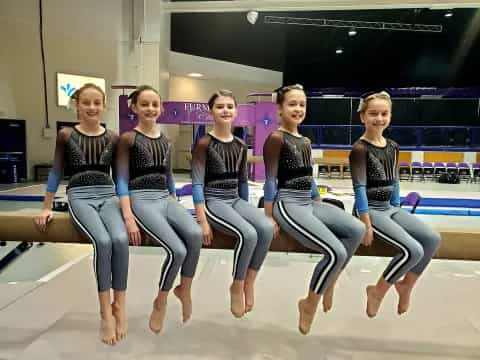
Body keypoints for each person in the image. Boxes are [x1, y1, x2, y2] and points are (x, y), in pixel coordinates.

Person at [263, 84, 364, 335]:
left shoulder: (305, 141)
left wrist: (319, 202)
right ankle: (309, 304)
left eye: (302, 104)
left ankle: (329, 280)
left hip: (308, 202)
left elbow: (308, 177)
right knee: (336, 250)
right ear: (280, 109)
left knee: (356, 228)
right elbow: (270, 180)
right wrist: (268, 216)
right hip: (287, 203)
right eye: (292, 104)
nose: (298, 109)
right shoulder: (276, 138)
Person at [34, 83, 129, 345]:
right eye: (86, 102)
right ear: (77, 105)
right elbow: (55, 172)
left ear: (104, 105)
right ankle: (104, 313)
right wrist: (46, 206)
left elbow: (120, 178)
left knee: (121, 241)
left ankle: (120, 305)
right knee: (103, 241)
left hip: (108, 196)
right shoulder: (66, 135)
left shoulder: (114, 137)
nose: (92, 107)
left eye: (97, 102)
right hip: (81, 196)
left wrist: (127, 211)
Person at [116, 85, 202, 334]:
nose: (151, 109)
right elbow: (121, 180)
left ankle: (184, 288)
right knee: (176, 249)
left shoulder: (166, 140)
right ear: (134, 108)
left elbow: (169, 174)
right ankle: (161, 300)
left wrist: (173, 198)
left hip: (165, 197)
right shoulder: (128, 139)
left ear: (161, 108)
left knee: (195, 235)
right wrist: (128, 216)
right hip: (140, 198)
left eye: (155, 104)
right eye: (145, 104)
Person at [349, 90, 441, 318]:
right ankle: (378, 290)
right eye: (373, 114)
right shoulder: (360, 149)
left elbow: (395, 180)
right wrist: (366, 224)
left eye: (384, 113)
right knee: (413, 249)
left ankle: (406, 285)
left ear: (390, 115)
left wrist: (398, 212)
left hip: (389, 209)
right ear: (362, 116)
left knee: (432, 239)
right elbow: (359, 188)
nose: (379, 118)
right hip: (369, 209)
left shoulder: (393, 146)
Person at [191, 89, 274, 318]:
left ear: (236, 111)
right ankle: (236, 285)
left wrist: (247, 210)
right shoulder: (204, 144)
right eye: (220, 107)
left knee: (265, 228)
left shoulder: (239, 144)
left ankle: (249, 281)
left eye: (229, 106)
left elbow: (242, 182)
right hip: (214, 200)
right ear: (211, 112)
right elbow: (197, 184)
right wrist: (203, 220)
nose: (225, 110)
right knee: (248, 234)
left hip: (235, 199)